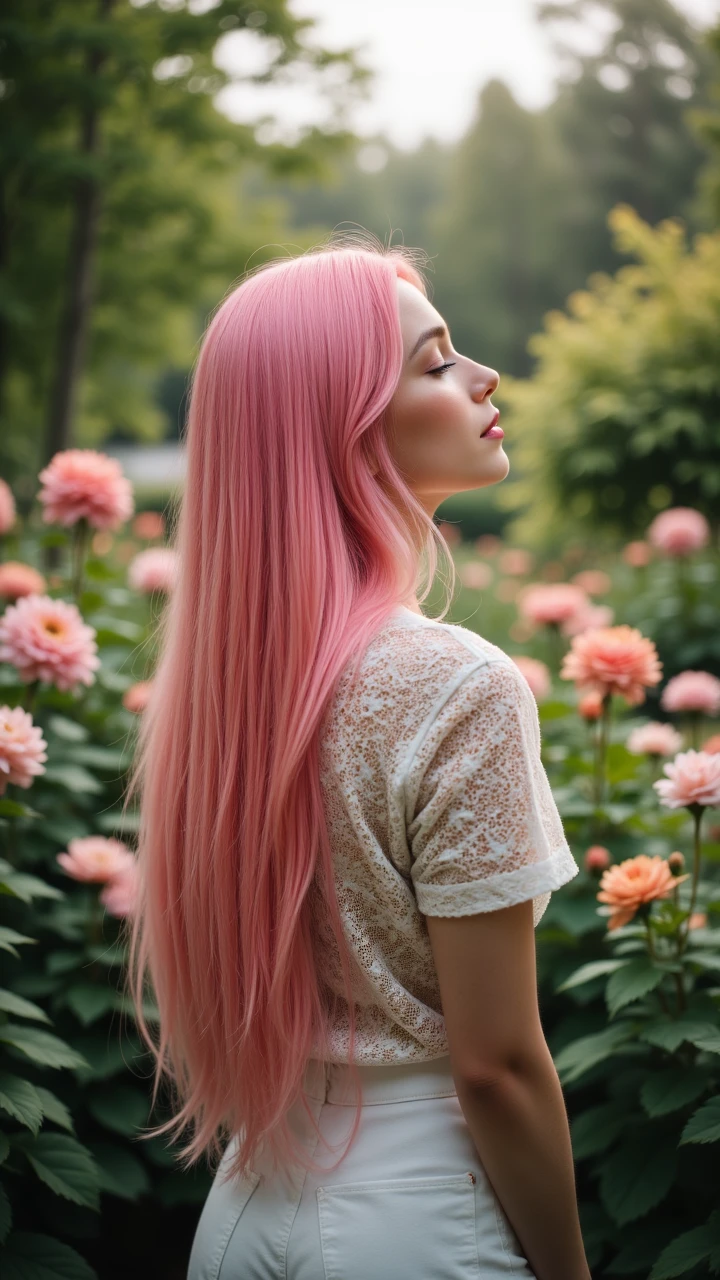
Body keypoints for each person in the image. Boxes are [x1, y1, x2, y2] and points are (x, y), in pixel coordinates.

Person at [122, 233, 591, 1280]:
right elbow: (500, 1065)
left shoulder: (229, 688)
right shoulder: (455, 683)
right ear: (342, 426)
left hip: (247, 1207)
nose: (484, 376)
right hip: (425, 1216)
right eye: (435, 361)